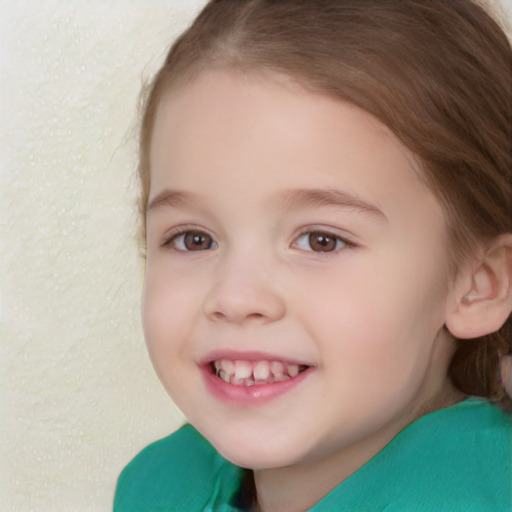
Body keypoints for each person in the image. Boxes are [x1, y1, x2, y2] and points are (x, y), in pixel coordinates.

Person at [113, 1, 512, 510]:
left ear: (479, 283)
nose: (235, 297)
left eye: (321, 240)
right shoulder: (158, 485)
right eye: (194, 238)